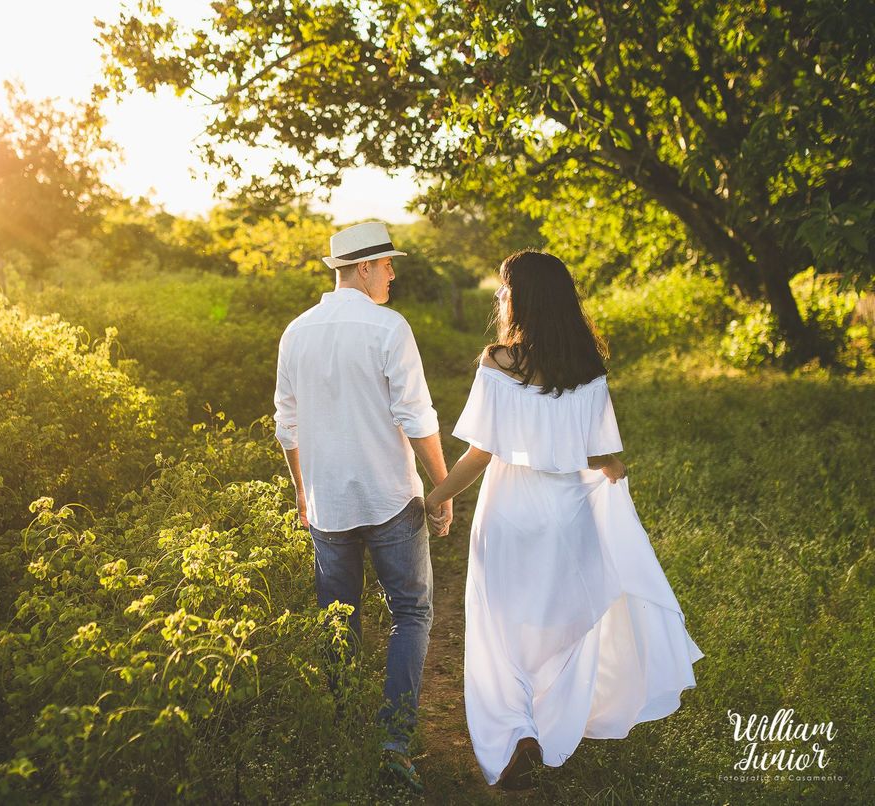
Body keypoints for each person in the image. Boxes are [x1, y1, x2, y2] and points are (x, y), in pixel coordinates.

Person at [425, 249, 705, 790]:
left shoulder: (498, 362)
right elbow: (600, 456)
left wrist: (435, 497)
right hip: (569, 515)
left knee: (500, 628)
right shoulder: (588, 370)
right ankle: (550, 727)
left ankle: (516, 732)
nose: (500, 299)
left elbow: (480, 455)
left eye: (505, 290)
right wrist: (613, 472)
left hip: (509, 510)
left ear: (520, 299)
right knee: (563, 629)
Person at [273, 220, 452, 794]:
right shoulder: (388, 328)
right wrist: (442, 488)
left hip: (327, 502)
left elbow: (286, 424)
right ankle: (393, 745)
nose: (393, 274)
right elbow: (416, 416)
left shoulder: (296, 331)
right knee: (412, 613)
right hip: (390, 498)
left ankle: (348, 731)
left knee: (338, 619)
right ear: (365, 267)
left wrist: (303, 491)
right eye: (388, 265)